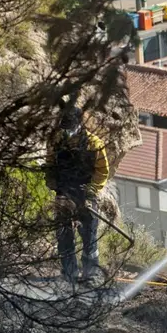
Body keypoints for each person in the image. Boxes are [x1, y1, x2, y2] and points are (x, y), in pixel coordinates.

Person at [45, 106, 110, 287]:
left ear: (80, 124)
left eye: (71, 127)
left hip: (85, 194)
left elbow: (102, 172)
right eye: (65, 128)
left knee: (89, 235)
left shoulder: (94, 144)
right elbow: (50, 163)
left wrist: (91, 191)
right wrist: (51, 179)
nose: (68, 131)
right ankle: (69, 274)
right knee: (63, 236)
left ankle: (90, 275)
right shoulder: (56, 142)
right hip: (63, 194)